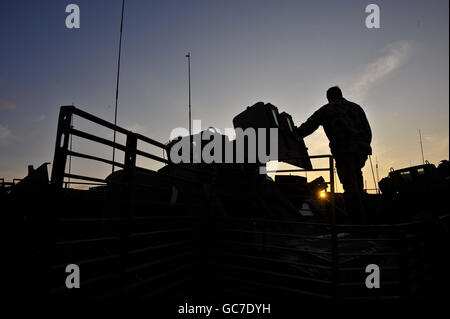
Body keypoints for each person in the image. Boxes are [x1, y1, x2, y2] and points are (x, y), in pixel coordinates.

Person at [296, 86, 372, 224]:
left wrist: (295, 133)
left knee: (350, 187)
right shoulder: (356, 108)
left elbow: (308, 127)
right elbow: (368, 131)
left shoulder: (326, 110)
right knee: (357, 185)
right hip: (360, 151)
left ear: (329, 98)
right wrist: (363, 147)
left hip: (344, 151)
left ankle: (358, 224)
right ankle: (364, 220)